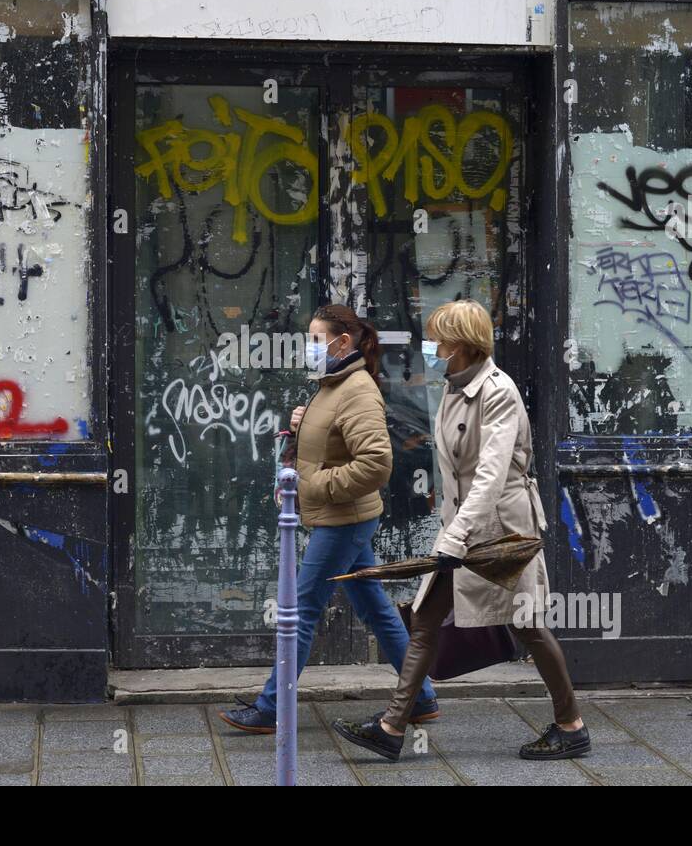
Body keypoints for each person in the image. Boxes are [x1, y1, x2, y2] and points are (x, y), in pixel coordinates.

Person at [332, 299, 590, 761]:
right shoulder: (455, 385)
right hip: (464, 525)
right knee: (427, 618)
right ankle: (391, 726)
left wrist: (454, 536)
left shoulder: (498, 391)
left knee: (527, 623)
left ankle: (571, 725)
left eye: (440, 340)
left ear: (464, 345)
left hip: (503, 530)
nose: (433, 348)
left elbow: (491, 476)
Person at [220, 304, 439, 733]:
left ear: (342, 343)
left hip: (345, 519)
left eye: (316, 340)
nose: (309, 347)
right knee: (375, 609)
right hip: (346, 518)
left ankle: (272, 707)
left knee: (301, 609)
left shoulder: (355, 389)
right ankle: (421, 697)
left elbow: (375, 464)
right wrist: (301, 426)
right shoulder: (333, 384)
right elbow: (334, 441)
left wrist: (310, 487)